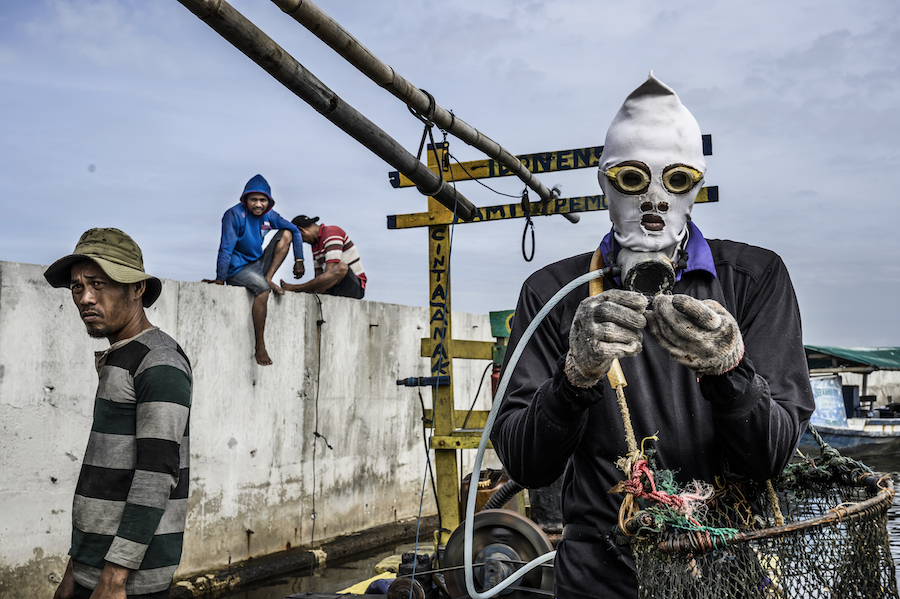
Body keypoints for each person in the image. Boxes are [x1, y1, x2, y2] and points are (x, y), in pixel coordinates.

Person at [489, 75, 815, 599]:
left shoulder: (754, 280)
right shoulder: (552, 293)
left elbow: (770, 454)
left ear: (696, 188)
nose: (655, 201)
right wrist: (573, 379)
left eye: (677, 179)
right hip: (601, 578)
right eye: (632, 179)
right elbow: (527, 464)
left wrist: (731, 371)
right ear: (605, 184)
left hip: (727, 569)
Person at [44, 228, 192, 599]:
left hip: (127, 582)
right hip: (92, 568)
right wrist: (74, 569)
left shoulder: (158, 361)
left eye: (99, 284)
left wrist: (114, 578)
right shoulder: (122, 356)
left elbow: (156, 475)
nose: (86, 298)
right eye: (77, 287)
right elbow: (103, 481)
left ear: (137, 288)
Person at [202, 174, 305, 365]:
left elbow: (296, 231)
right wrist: (220, 278)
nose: (258, 205)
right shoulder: (234, 215)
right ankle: (260, 345)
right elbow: (225, 247)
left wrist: (299, 259)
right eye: (254, 200)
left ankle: (267, 277)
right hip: (238, 267)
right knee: (263, 291)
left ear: (269, 202)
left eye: (262, 200)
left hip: (258, 263)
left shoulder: (269, 215)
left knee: (287, 234)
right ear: (245, 200)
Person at [280, 215, 367, 299]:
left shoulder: (331, 232)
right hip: (333, 286)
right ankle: (303, 290)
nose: (303, 242)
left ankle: (297, 288)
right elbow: (319, 276)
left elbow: (331, 270)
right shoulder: (315, 245)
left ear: (301, 231)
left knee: (341, 267)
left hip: (353, 285)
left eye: (301, 239)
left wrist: (301, 288)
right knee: (319, 284)